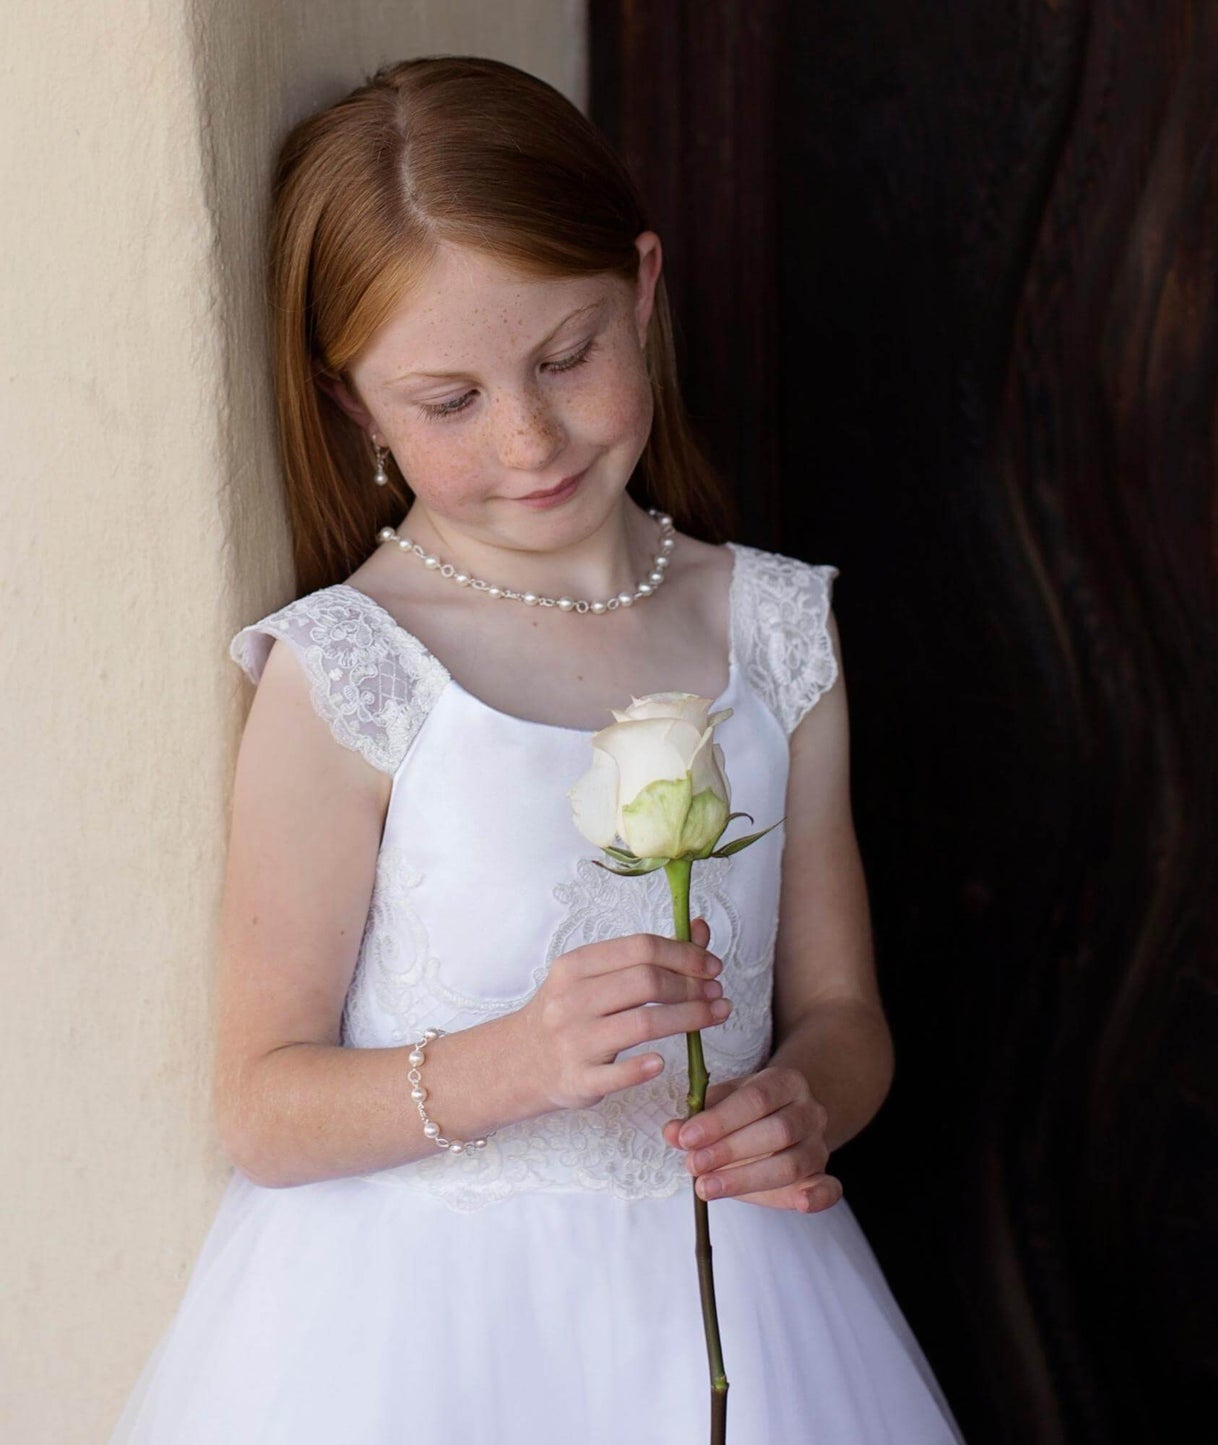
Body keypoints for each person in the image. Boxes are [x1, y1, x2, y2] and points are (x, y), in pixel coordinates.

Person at [107, 55, 966, 1445]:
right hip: (417, 1338)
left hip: (732, 1296)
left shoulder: (772, 628)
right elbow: (261, 1103)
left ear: (638, 285)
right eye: (447, 400)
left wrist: (801, 1098)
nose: (529, 434)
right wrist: (511, 1060)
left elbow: (842, 1009)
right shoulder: (355, 668)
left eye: (566, 355)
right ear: (354, 408)